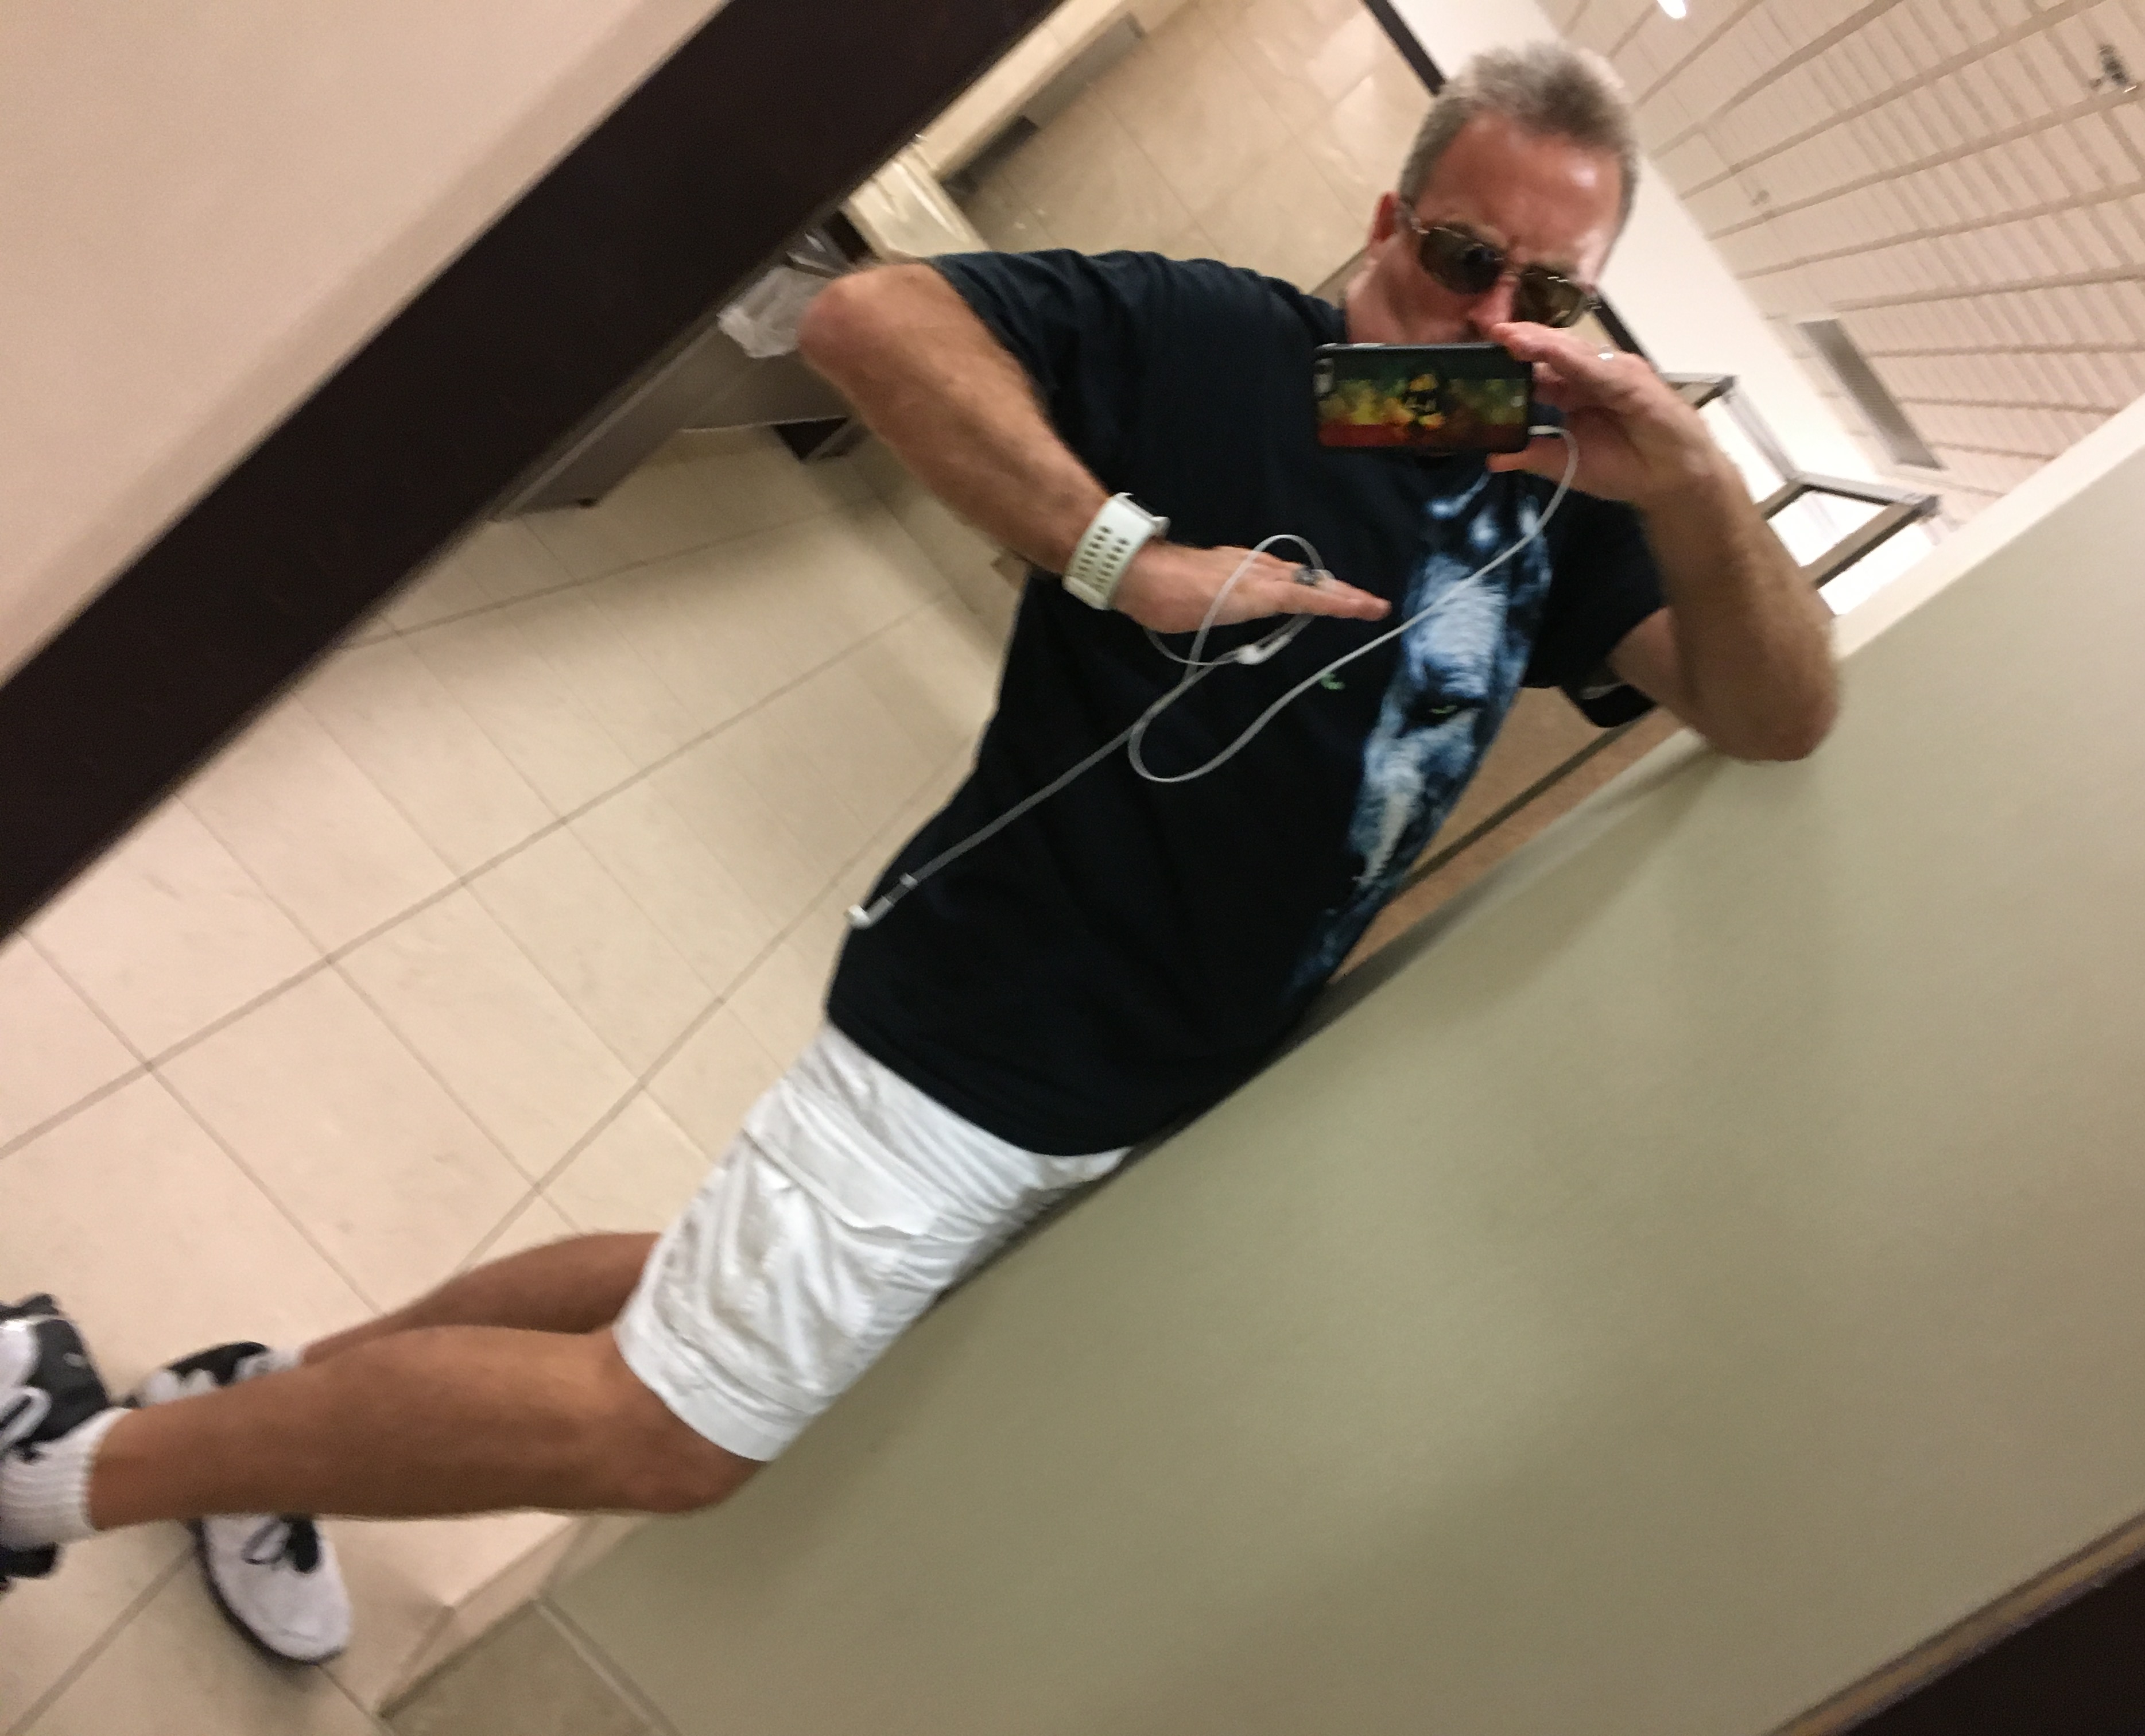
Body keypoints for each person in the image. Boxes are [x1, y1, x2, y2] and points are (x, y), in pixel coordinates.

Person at [0, 42, 1834, 1660]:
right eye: (1460, 257)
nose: (1497, 318)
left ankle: (268, 1412)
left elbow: (1775, 712)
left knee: (685, 1289)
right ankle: (55, 1469)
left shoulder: (1552, 488)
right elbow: (873, 323)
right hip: (998, 1001)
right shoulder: (1230, 344)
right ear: (1389, 219)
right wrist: (1126, 558)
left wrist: (1690, 487)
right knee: (674, 1429)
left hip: (1142, 1081)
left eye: (1549, 290)